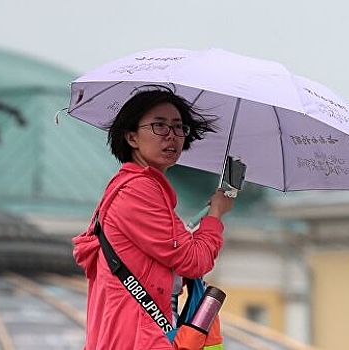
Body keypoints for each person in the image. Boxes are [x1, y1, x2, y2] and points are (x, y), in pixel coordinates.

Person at [73, 88, 235, 349]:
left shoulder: (143, 189)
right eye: (159, 126)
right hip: (138, 337)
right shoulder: (139, 190)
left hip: (138, 333)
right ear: (132, 137)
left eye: (178, 127)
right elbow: (194, 260)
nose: (171, 135)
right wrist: (216, 215)